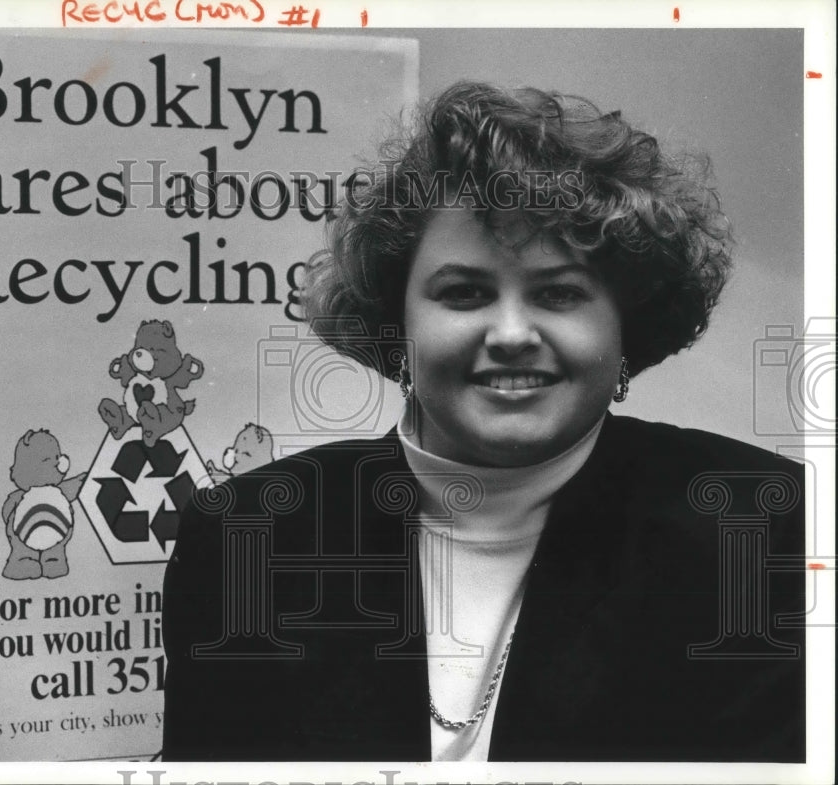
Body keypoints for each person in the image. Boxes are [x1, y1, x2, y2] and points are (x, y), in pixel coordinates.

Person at [162, 82, 805, 762]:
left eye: (559, 293)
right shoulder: (242, 540)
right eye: (464, 293)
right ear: (395, 322)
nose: (510, 333)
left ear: (627, 329)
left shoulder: (761, 528)